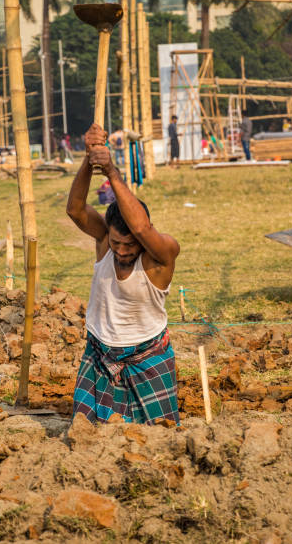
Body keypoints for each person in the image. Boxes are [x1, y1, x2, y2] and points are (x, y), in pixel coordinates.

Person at [66, 123, 180, 425]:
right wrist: (90, 158)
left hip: (147, 358)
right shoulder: (105, 241)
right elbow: (75, 210)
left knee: (161, 436)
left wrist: (112, 172)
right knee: (86, 433)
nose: (122, 250)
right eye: (117, 242)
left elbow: (141, 228)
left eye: (130, 245)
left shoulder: (161, 255)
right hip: (100, 355)